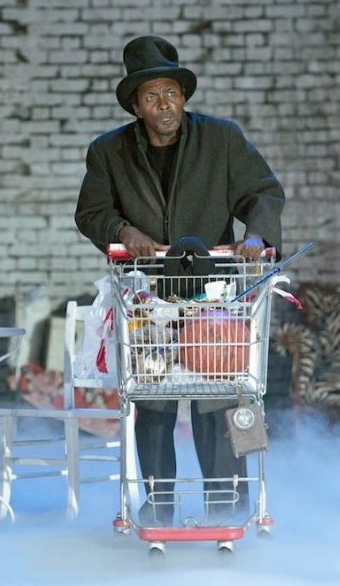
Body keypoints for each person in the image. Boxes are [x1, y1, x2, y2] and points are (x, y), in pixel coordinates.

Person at [75, 35, 285, 525]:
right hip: (147, 295)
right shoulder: (108, 152)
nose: (164, 104)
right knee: (154, 401)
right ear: (135, 106)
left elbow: (263, 192)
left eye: (171, 93)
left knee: (220, 395)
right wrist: (122, 230)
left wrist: (256, 235)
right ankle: (159, 504)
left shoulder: (221, 139)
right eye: (151, 97)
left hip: (215, 291)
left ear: (183, 96)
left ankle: (226, 502)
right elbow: (91, 212)